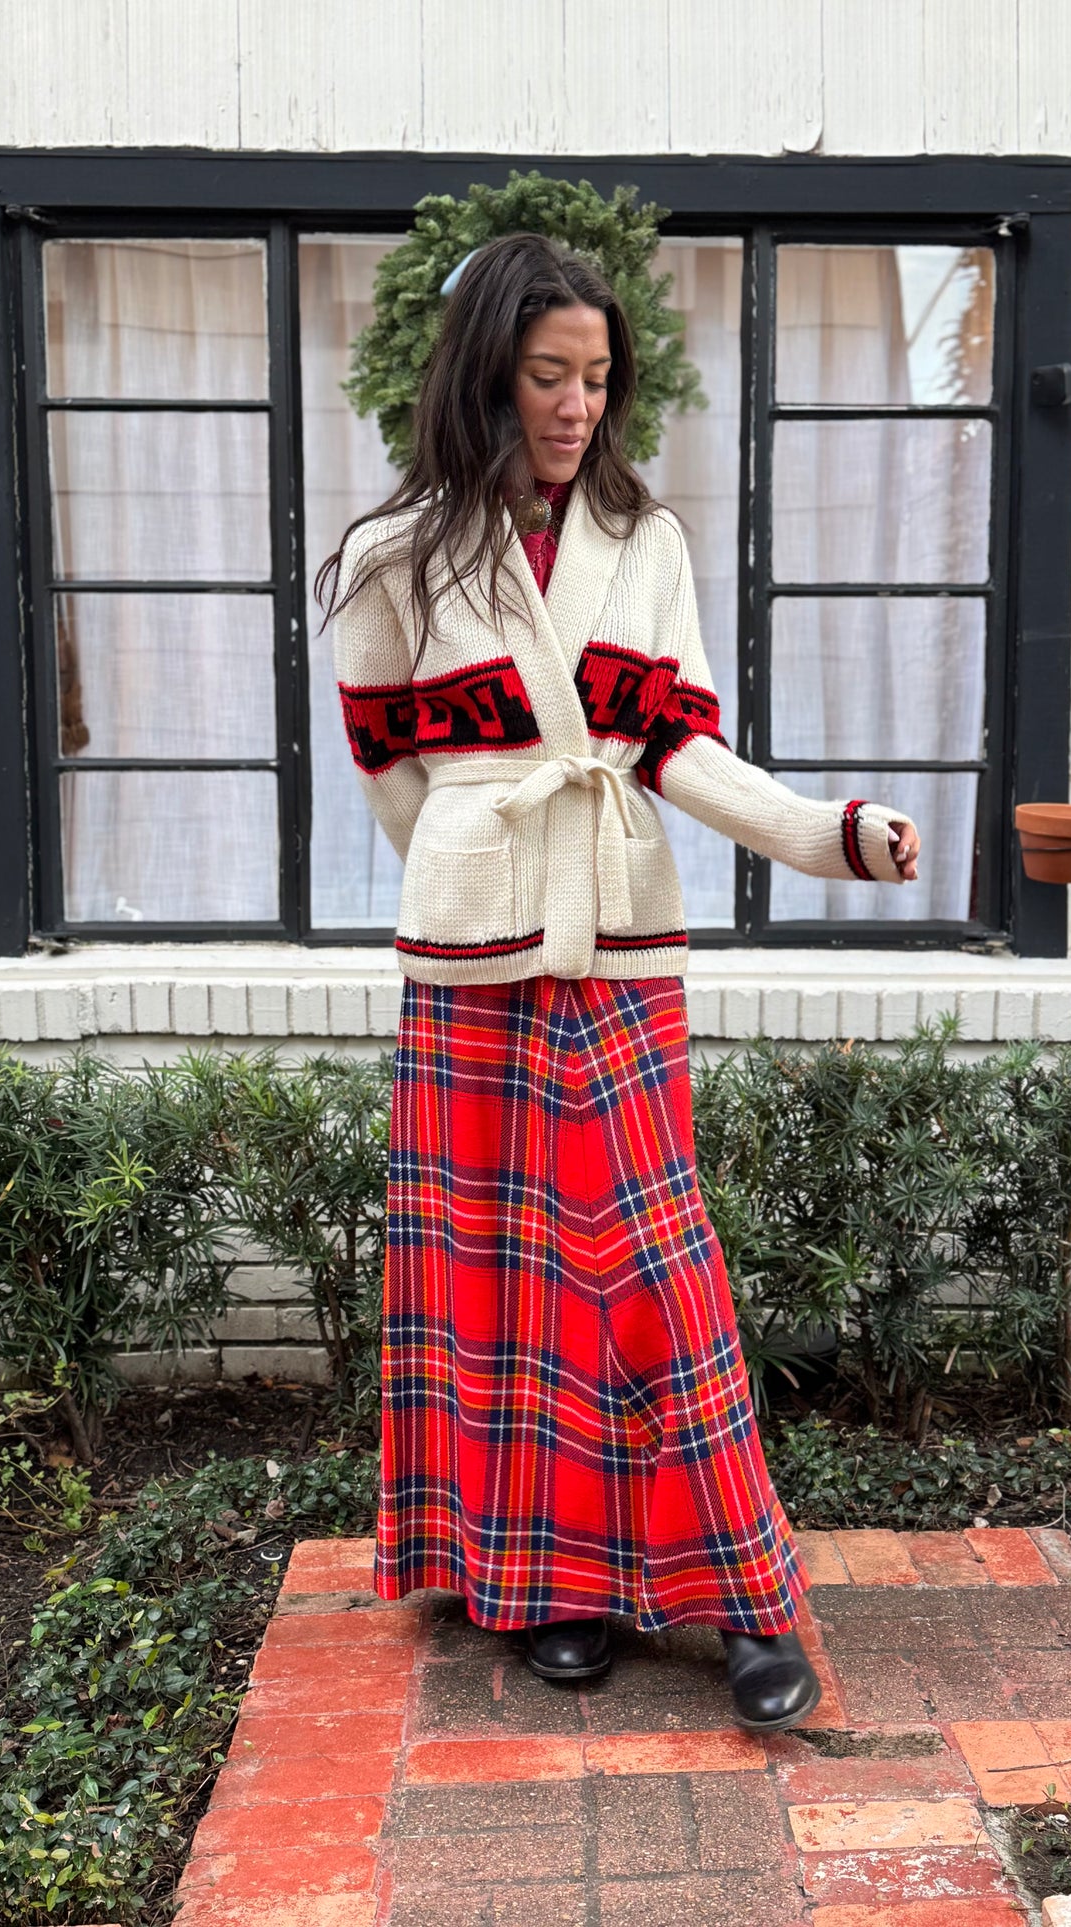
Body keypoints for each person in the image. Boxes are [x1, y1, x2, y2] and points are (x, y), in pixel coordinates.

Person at [322, 231, 920, 1731]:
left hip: (621, 944)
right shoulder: (391, 555)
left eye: (596, 376)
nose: (577, 403)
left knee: (653, 1274)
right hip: (470, 960)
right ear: (483, 374)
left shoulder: (646, 543)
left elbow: (679, 751)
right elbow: (391, 772)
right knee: (506, 1283)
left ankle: (745, 1595)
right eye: (547, 374)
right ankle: (551, 1585)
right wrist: (472, 851)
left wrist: (826, 836)